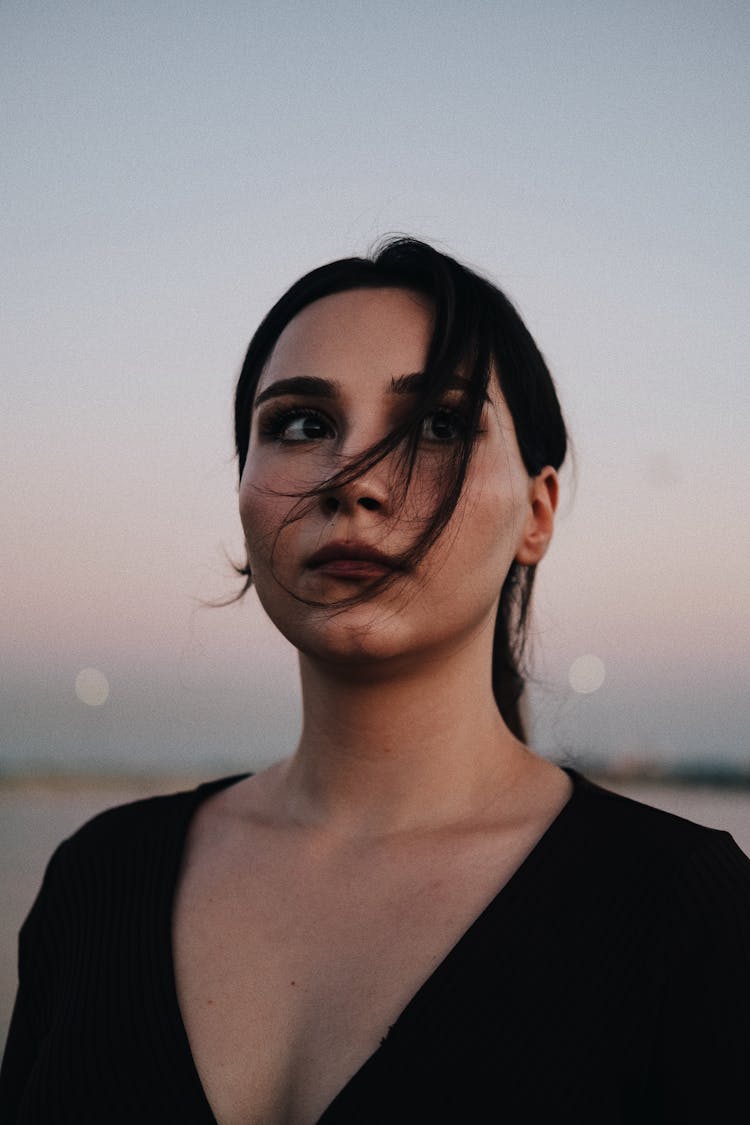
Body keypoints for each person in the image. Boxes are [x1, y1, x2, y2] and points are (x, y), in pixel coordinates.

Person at [2, 237, 749, 1124]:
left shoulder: (682, 909)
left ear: (537, 513)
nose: (353, 482)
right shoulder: (97, 881)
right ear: (244, 492)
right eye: (302, 425)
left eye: (438, 423)